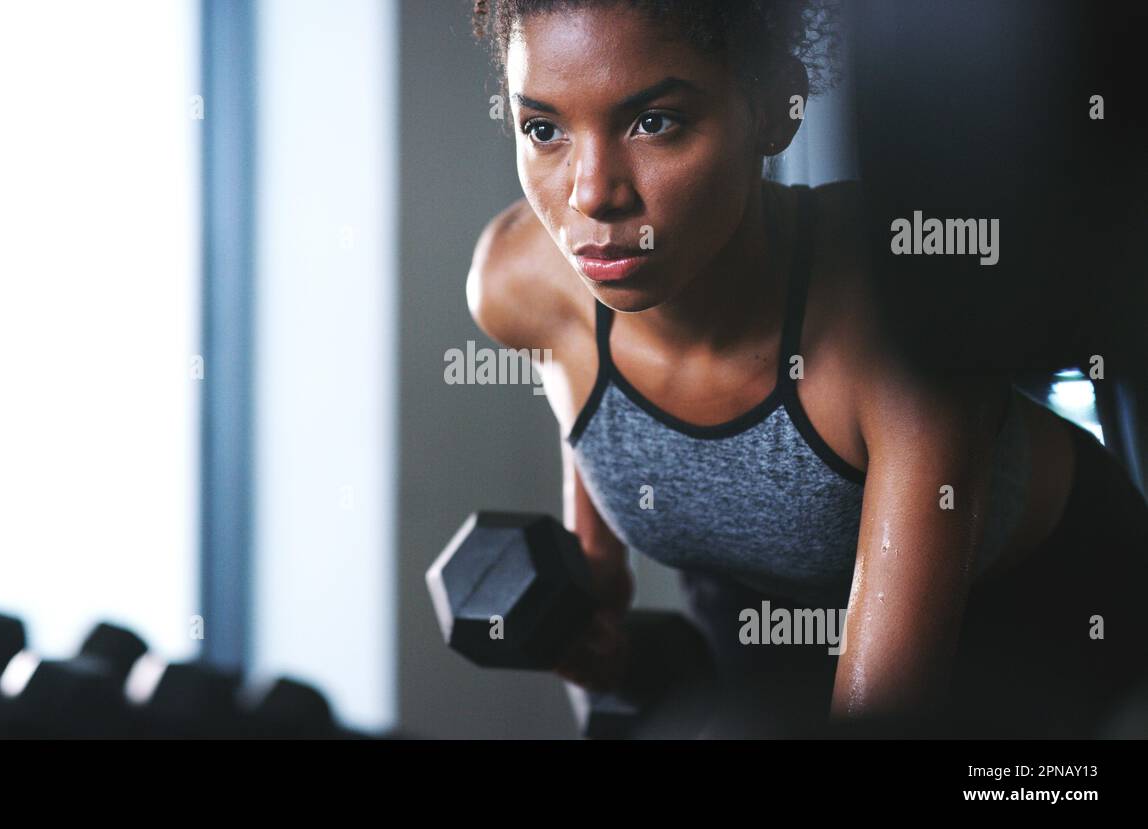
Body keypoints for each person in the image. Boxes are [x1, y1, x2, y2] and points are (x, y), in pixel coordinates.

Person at [464, 0, 1148, 736]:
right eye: (544, 129)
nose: (592, 193)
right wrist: (586, 629)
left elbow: (882, 717)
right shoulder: (521, 288)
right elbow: (602, 551)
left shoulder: (885, 312)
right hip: (764, 629)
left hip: (1047, 629)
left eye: (655, 121)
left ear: (771, 110)